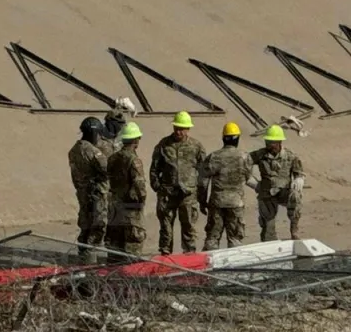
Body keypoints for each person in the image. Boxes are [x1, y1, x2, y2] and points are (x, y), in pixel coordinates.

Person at [149, 111, 206, 255]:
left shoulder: (196, 146)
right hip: (168, 195)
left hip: (188, 196)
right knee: (166, 229)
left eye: (182, 128)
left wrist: (199, 190)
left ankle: (189, 255)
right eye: (176, 128)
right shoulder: (164, 145)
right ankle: (165, 256)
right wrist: (158, 188)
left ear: (188, 129)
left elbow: (204, 170)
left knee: (188, 228)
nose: (178, 131)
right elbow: (154, 168)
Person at [197, 122, 249, 250]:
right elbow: (247, 176)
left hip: (217, 203)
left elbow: (203, 182)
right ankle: (234, 267)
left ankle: (208, 266)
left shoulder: (213, 157)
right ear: (237, 138)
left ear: (223, 138)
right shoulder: (244, 157)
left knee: (212, 239)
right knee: (235, 239)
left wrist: (202, 202)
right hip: (236, 203)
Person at [248, 125, 304, 241]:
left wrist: (299, 179)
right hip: (267, 193)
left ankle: (294, 231)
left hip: (284, 191)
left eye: (271, 142)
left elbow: (299, 172)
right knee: (268, 229)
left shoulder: (290, 156)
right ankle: (269, 241)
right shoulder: (260, 155)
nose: (268, 144)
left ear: (279, 142)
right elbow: (242, 164)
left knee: (296, 195)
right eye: (267, 141)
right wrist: (253, 182)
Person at [68, 117, 110, 264]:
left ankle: (83, 254)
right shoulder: (91, 150)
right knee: (98, 225)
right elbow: (107, 168)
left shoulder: (74, 150)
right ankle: (90, 258)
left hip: (82, 192)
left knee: (85, 223)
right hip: (95, 193)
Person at [105, 122, 147, 258]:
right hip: (131, 209)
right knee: (132, 248)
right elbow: (140, 186)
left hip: (115, 208)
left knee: (114, 247)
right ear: (136, 140)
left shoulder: (112, 158)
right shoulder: (134, 160)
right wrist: (141, 202)